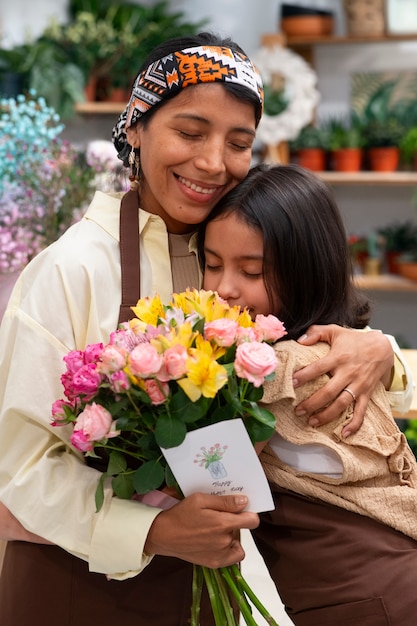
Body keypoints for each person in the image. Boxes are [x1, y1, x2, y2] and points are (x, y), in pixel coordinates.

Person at [0, 31, 402, 625]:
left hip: (209, 589)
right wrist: (155, 529)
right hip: (79, 590)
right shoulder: (73, 267)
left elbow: (307, 355)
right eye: (190, 133)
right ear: (135, 128)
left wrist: (380, 350)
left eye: (238, 142)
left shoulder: (234, 241)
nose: (213, 162)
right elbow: (22, 467)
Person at [198, 162, 417, 626]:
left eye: (251, 270)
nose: (223, 289)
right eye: (211, 264)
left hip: (373, 600)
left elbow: (212, 475)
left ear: (306, 270)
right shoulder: (337, 348)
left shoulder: (289, 367)